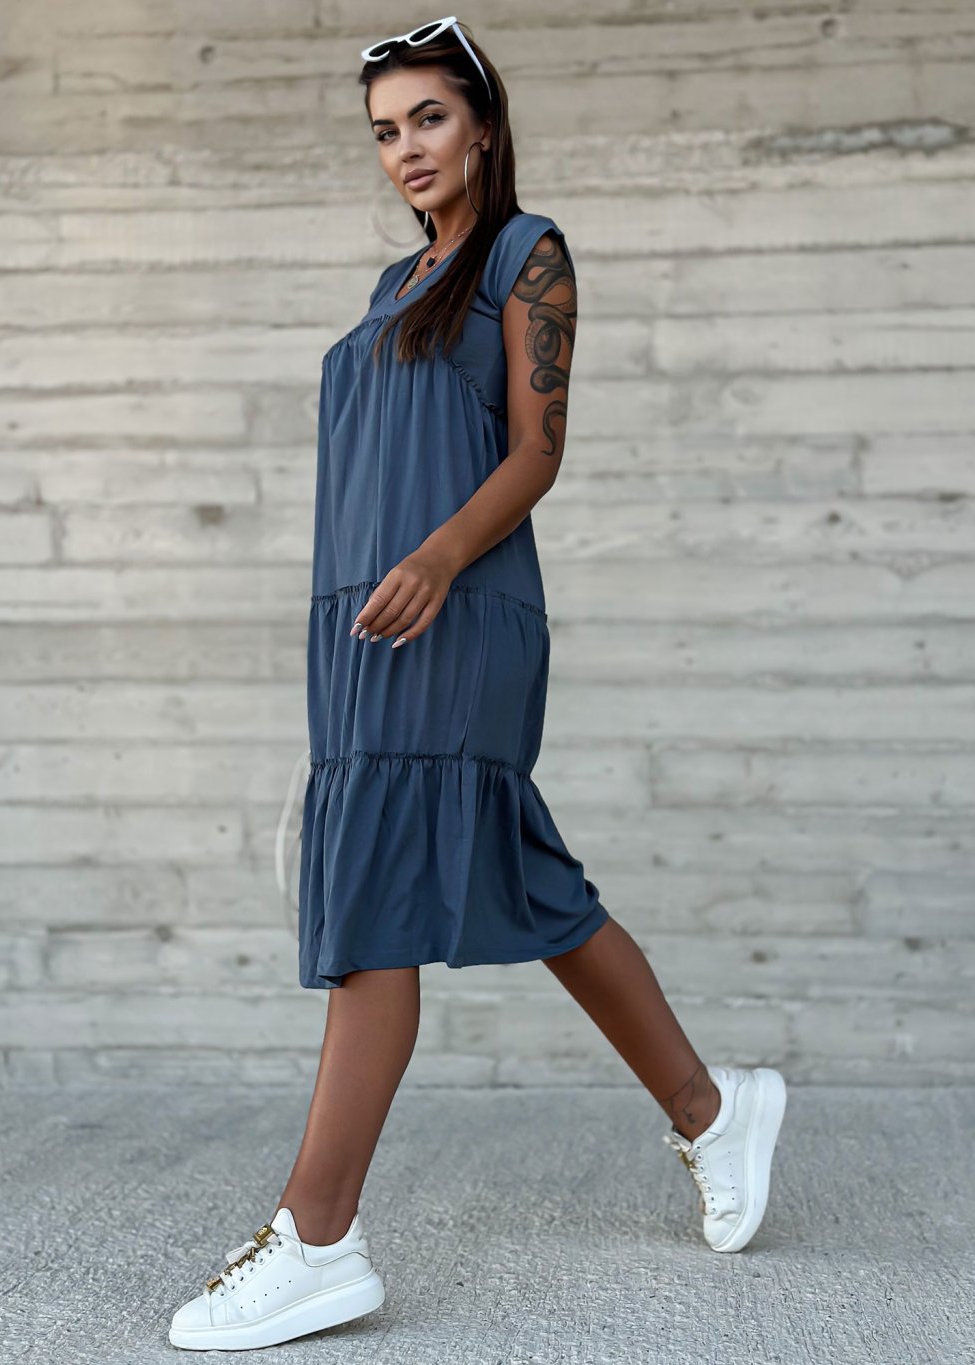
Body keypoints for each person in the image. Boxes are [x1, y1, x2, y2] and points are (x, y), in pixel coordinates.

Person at [168, 17, 787, 1352]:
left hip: (459, 610)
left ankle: (317, 1238)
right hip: (369, 625)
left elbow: (537, 450)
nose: (407, 149)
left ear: (484, 125)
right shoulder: (397, 283)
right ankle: (714, 1109)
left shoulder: (525, 253)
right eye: (385, 131)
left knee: (373, 908)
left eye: (429, 119)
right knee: (526, 881)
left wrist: (440, 558)